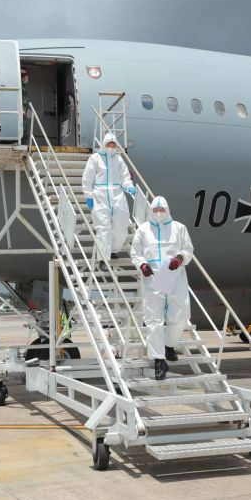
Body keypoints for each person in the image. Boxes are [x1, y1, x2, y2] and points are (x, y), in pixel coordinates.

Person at [131, 196, 194, 380]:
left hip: (175, 277)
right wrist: (142, 264)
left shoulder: (179, 228)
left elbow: (188, 249)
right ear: (151, 211)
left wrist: (180, 258)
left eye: (162, 210)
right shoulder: (143, 230)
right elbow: (135, 253)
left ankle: (169, 344)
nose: (159, 213)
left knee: (181, 315)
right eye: (155, 210)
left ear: (167, 210)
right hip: (152, 279)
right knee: (153, 321)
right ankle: (159, 360)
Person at [82, 132, 136, 261]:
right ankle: (103, 258)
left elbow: (125, 176)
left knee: (120, 226)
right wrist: (88, 195)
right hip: (100, 196)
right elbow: (87, 178)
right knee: (103, 228)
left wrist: (128, 186)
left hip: (117, 195)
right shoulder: (95, 158)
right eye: (109, 145)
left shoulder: (118, 159)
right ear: (104, 145)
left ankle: (113, 250)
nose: (111, 147)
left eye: (113, 145)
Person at [21, 68, 30, 144]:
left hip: (24, 111)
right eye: (25, 76)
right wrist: (22, 109)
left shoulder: (23, 86)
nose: (27, 78)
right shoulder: (20, 86)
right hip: (22, 112)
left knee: (25, 130)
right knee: (24, 131)